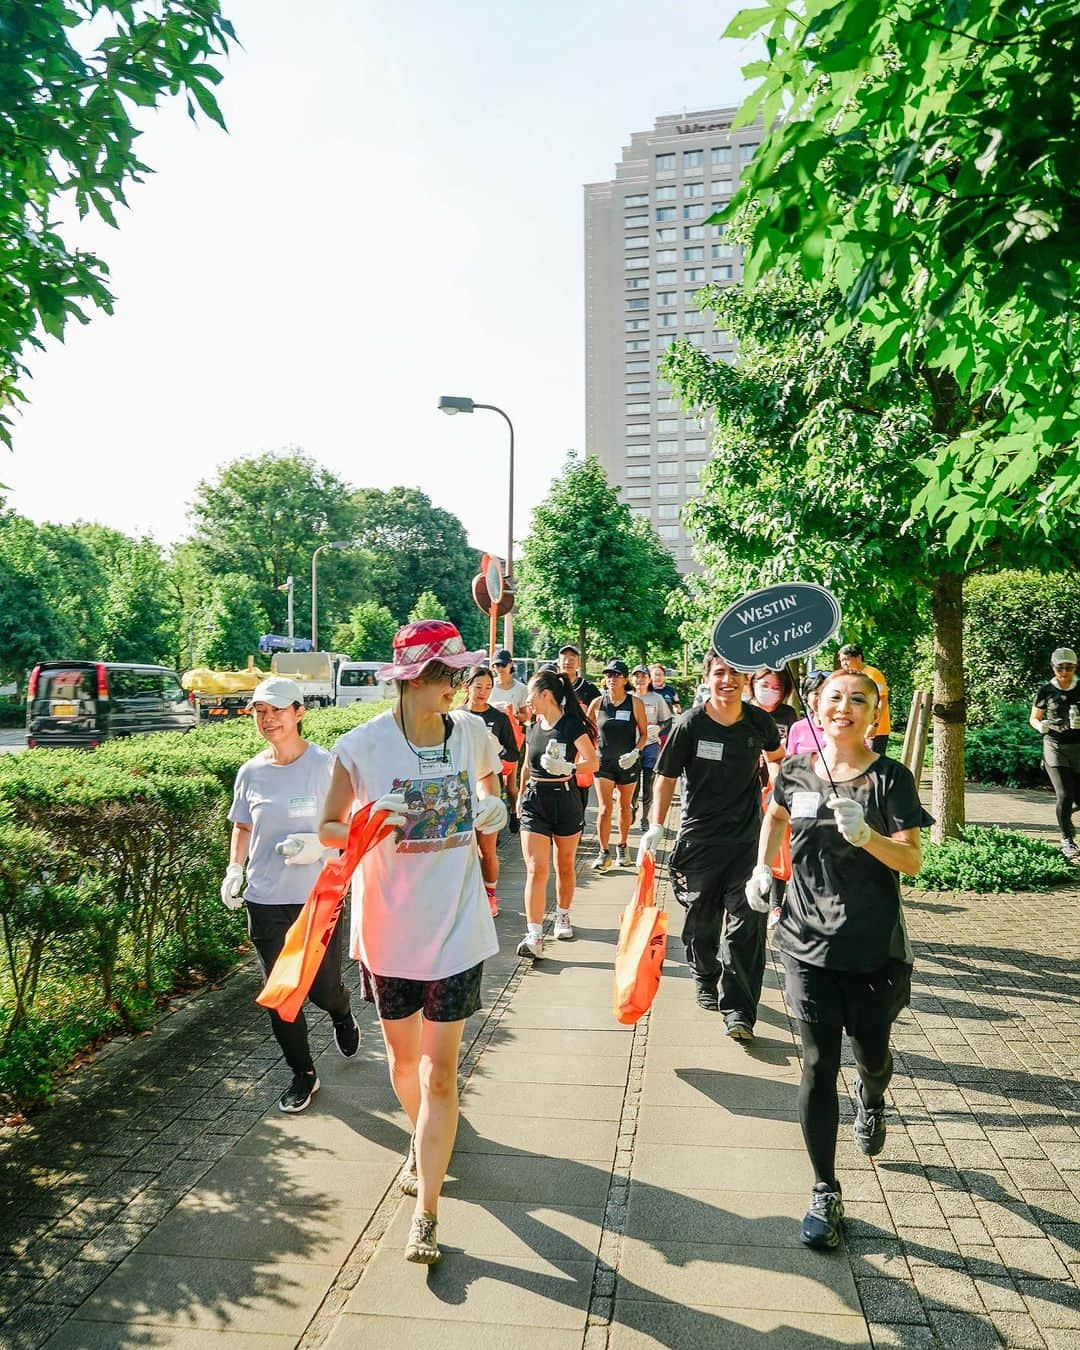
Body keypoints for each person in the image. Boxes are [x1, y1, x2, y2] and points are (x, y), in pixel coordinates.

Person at [319, 620, 507, 1265]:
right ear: (410, 679)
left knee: (441, 1074)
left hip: (456, 928)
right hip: (388, 930)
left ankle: (426, 1212)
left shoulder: (475, 733)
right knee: (404, 1066)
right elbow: (327, 827)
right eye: (443, 674)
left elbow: (491, 787)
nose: (455, 684)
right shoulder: (361, 748)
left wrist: (494, 809)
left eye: (458, 673)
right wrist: (372, 820)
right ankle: (419, 1140)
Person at [749, 668, 932, 1249]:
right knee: (817, 1063)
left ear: (875, 715)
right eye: (834, 697)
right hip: (804, 942)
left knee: (871, 1053)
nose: (844, 707)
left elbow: (912, 862)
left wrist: (869, 839)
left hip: (873, 947)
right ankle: (825, 1189)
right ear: (818, 709)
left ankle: (874, 1095)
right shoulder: (797, 771)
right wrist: (763, 866)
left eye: (858, 700)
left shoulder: (891, 779)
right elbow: (775, 817)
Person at [222, 676, 360, 1116]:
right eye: (260, 712)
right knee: (280, 992)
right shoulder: (251, 771)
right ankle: (303, 1074)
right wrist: (234, 869)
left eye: (277, 710)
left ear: (299, 712)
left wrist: (320, 845)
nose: (268, 719)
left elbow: (352, 826)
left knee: (320, 988)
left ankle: (341, 1010)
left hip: (316, 899)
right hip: (264, 898)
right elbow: (242, 826)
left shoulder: (325, 764)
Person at [639, 651, 783, 1037]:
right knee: (701, 921)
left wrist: (783, 794)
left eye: (736, 672)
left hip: (747, 843)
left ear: (747, 679)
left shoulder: (759, 721)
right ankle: (704, 973)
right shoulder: (690, 724)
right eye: (720, 673)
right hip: (699, 841)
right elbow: (666, 777)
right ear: (708, 678)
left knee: (745, 926)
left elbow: (777, 760)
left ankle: (739, 1011)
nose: (729, 680)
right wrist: (655, 826)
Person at [516, 669, 598, 955]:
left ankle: (563, 913)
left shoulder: (571, 726)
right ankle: (534, 935)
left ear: (545, 695)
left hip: (564, 798)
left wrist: (571, 768)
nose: (528, 701)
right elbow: (526, 765)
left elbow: (593, 762)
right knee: (536, 869)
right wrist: (519, 795)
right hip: (534, 801)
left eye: (531, 695)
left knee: (564, 864)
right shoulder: (533, 726)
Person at [462, 664, 518, 914]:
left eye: (488, 687)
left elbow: (513, 753)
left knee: (487, 848)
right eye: (478, 687)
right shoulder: (456, 716)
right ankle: (466, 897)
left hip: (489, 785)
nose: (483, 692)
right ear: (467, 686)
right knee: (462, 848)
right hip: (462, 786)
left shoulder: (499, 718)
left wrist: (496, 750)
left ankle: (490, 896)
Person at [588, 660, 648, 870]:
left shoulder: (635, 703)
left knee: (624, 806)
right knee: (604, 808)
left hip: (627, 763)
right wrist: (588, 755)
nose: (612, 679)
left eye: (616, 675)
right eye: (609, 675)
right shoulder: (598, 703)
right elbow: (587, 732)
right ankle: (604, 852)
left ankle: (623, 846)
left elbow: (644, 734)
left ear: (624, 679)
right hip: (603, 762)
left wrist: (636, 752)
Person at [1029, 647, 1080, 861]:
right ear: (1053, 668)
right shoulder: (1045, 691)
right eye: (1060, 668)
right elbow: (1033, 718)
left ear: (1075, 668)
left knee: (1075, 798)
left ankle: (1067, 814)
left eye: (1069, 667)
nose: (1065, 672)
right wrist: (1040, 726)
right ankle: (1067, 840)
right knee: (1064, 795)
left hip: (1078, 748)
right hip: (1054, 747)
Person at [488, 649, 529, 834]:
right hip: (490, 737)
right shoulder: (489, 686)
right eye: (496, 665)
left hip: (511, 737)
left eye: (503, 664)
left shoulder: (520, 688)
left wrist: (513, 713)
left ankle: (514, 812)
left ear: (511, 665)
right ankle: (495, 817)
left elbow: (527, 716)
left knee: (510, 783)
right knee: (491, 778)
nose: (500, 668)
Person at [558, 645, 601, 814]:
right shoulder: (553, 685)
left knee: (580, 780)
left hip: (580, 742)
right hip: (558, 739)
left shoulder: (588, 688)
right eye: (565, 658)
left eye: (572, 659)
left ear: (578, 663)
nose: (568, 662)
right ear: (559, 661)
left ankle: (579, 820)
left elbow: (599, 712)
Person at [631, 664, 673, 830]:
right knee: (633, 783)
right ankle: (632, 806)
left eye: (643, 676)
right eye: (637, 676)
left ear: (649, 679)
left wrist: (659, 728)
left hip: (651, 745)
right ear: (631, 679)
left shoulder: (656, 699)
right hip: (632, 746)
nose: (640, 680)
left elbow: (667, 720)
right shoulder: (627, 697)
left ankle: (645, 818)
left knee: (648, 784)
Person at [837, 644, 891, 755]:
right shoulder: (849, 677)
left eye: (846, 659)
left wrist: (874, 725)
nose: (844, 663)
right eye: (842, 661)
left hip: (875, 730)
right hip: (856, 728)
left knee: (873, 766)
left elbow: (883, 700)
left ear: (858, 658)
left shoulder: (873, 675)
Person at [787, 670, 829, 757]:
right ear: (806, 697)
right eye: (816, 693)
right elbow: (790, 765)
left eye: (826, 693)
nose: (821, 698)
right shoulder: (797, 728)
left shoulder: (846, 727)